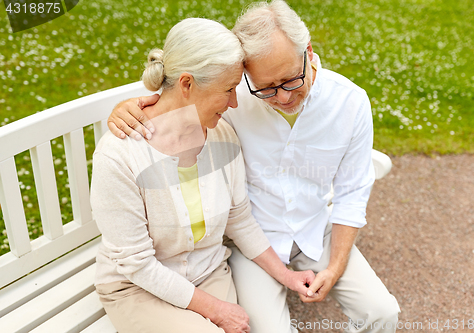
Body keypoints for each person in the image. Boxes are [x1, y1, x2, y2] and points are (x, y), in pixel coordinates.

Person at [107, 1, 401, 332]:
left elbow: (351, 193)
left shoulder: (350, 102)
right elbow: (179, 94)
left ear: (308, 51)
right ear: (246, 72)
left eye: (291, 80)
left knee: (383, 313)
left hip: (316, 232)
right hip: (252, 243)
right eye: (266, 88)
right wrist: (127, 107)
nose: (284, 97)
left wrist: (334, 267)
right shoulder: (230, 101)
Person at [91, 17, 315, 333]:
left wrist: (287, 276)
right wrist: (217, 311)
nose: (235, 102)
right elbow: (137, 264)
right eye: (227, 90)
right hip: (136, 287)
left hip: (208, 273)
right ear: (186, 84)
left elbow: (240, 221)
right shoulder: (120, 155)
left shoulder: (223, 136)